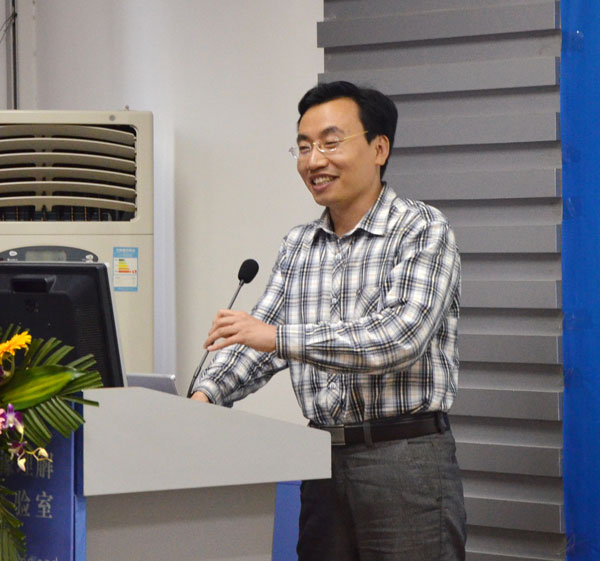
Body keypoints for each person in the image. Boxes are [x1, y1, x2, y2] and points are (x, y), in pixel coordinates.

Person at [190, 81, 466, 561]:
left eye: (330, 143)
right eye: (303, 147)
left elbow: (398, 338)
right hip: (321, 461)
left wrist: (276, 337)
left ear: (379, 149)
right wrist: (204, 397)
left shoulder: (422, 229)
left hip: (405, 461)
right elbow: (258, 338)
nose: (314, 160)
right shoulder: (299, 244)